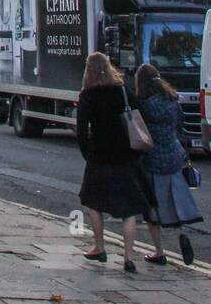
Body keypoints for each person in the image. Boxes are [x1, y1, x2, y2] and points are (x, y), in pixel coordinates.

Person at [76, 51, 147, 273]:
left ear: (88, 70)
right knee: (129, 210)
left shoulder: (88, 95)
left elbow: (81, 130)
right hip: (125, 156)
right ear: (109, 67)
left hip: (99, 156)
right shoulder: (123, 90)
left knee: (93, 202)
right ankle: (128, 257)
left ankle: (99, 247)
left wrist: (87, 152)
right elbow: (138, 116)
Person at [135, 62, 203, 266]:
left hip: (152, 158)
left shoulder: (143, 104)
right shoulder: (172, 99)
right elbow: (180, 125)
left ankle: (159, 252)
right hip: (174, 156)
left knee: (153, 208)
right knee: (176, 201)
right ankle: (182, 234)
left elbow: (139, 130)